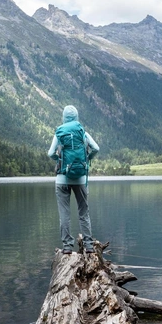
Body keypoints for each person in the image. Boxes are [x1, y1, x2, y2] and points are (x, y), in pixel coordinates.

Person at [48, 105, 100, 254]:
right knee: (84, 213)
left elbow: (50, 152)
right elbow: (96, 148)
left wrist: (59, 160)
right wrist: (88, 158)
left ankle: (67, 247)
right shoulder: (82, 132)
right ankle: (89, 246)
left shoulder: (60, 133)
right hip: (80, 178)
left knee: (64, 214)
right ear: (77, 117)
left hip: (61, 180)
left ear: (64, 117)